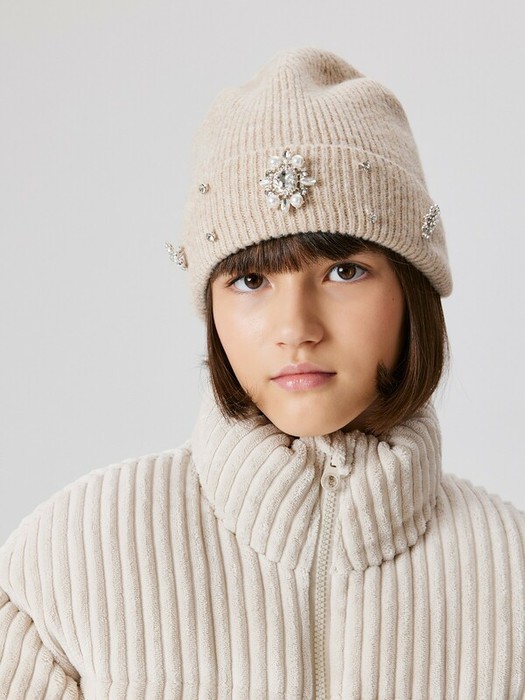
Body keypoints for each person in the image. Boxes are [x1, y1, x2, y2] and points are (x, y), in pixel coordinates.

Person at [0, 47, 524, 700]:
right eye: (250, 280)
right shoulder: (70, 559)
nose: (296, 327)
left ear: (412, 290)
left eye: (344, 271)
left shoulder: (511, 570)